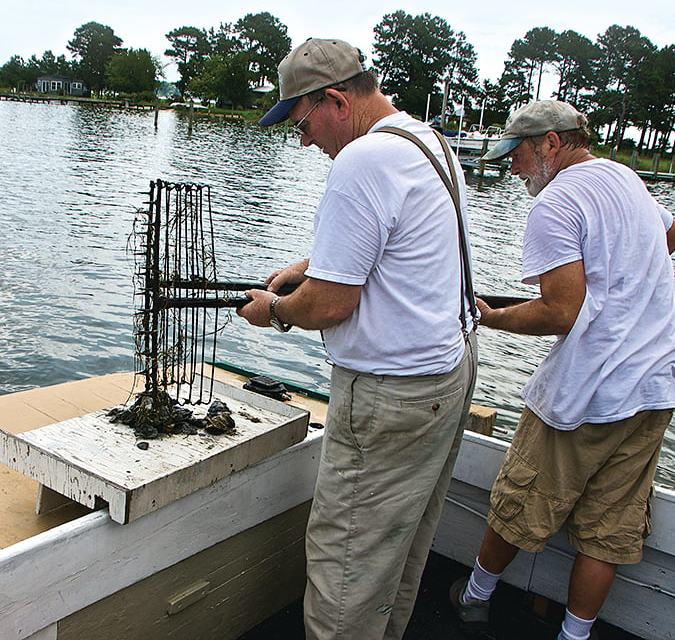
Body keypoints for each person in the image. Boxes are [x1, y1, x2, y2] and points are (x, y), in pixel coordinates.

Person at [237, 38, 478, 639]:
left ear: (337, 101)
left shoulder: (362, 161)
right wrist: (310, 265)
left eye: (303, 120)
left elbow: (332, 303)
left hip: (389, 399)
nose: (303, 138)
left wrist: (278, 309)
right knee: (396, 552)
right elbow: (396, 251)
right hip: (446, 378)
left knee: (346, 566)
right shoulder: (428, 142)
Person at [449, 100, 675, 640]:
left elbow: (561, 311)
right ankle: (574, 636)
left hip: (589, 393)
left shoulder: (555, 203)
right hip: (656, 385)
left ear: (551, 143)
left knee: (519, 502)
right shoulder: (626, 178)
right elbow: (666, 239)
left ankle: (475, 598)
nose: (512, 168)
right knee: (609, 529)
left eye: (518, 155)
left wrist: (493, 318)